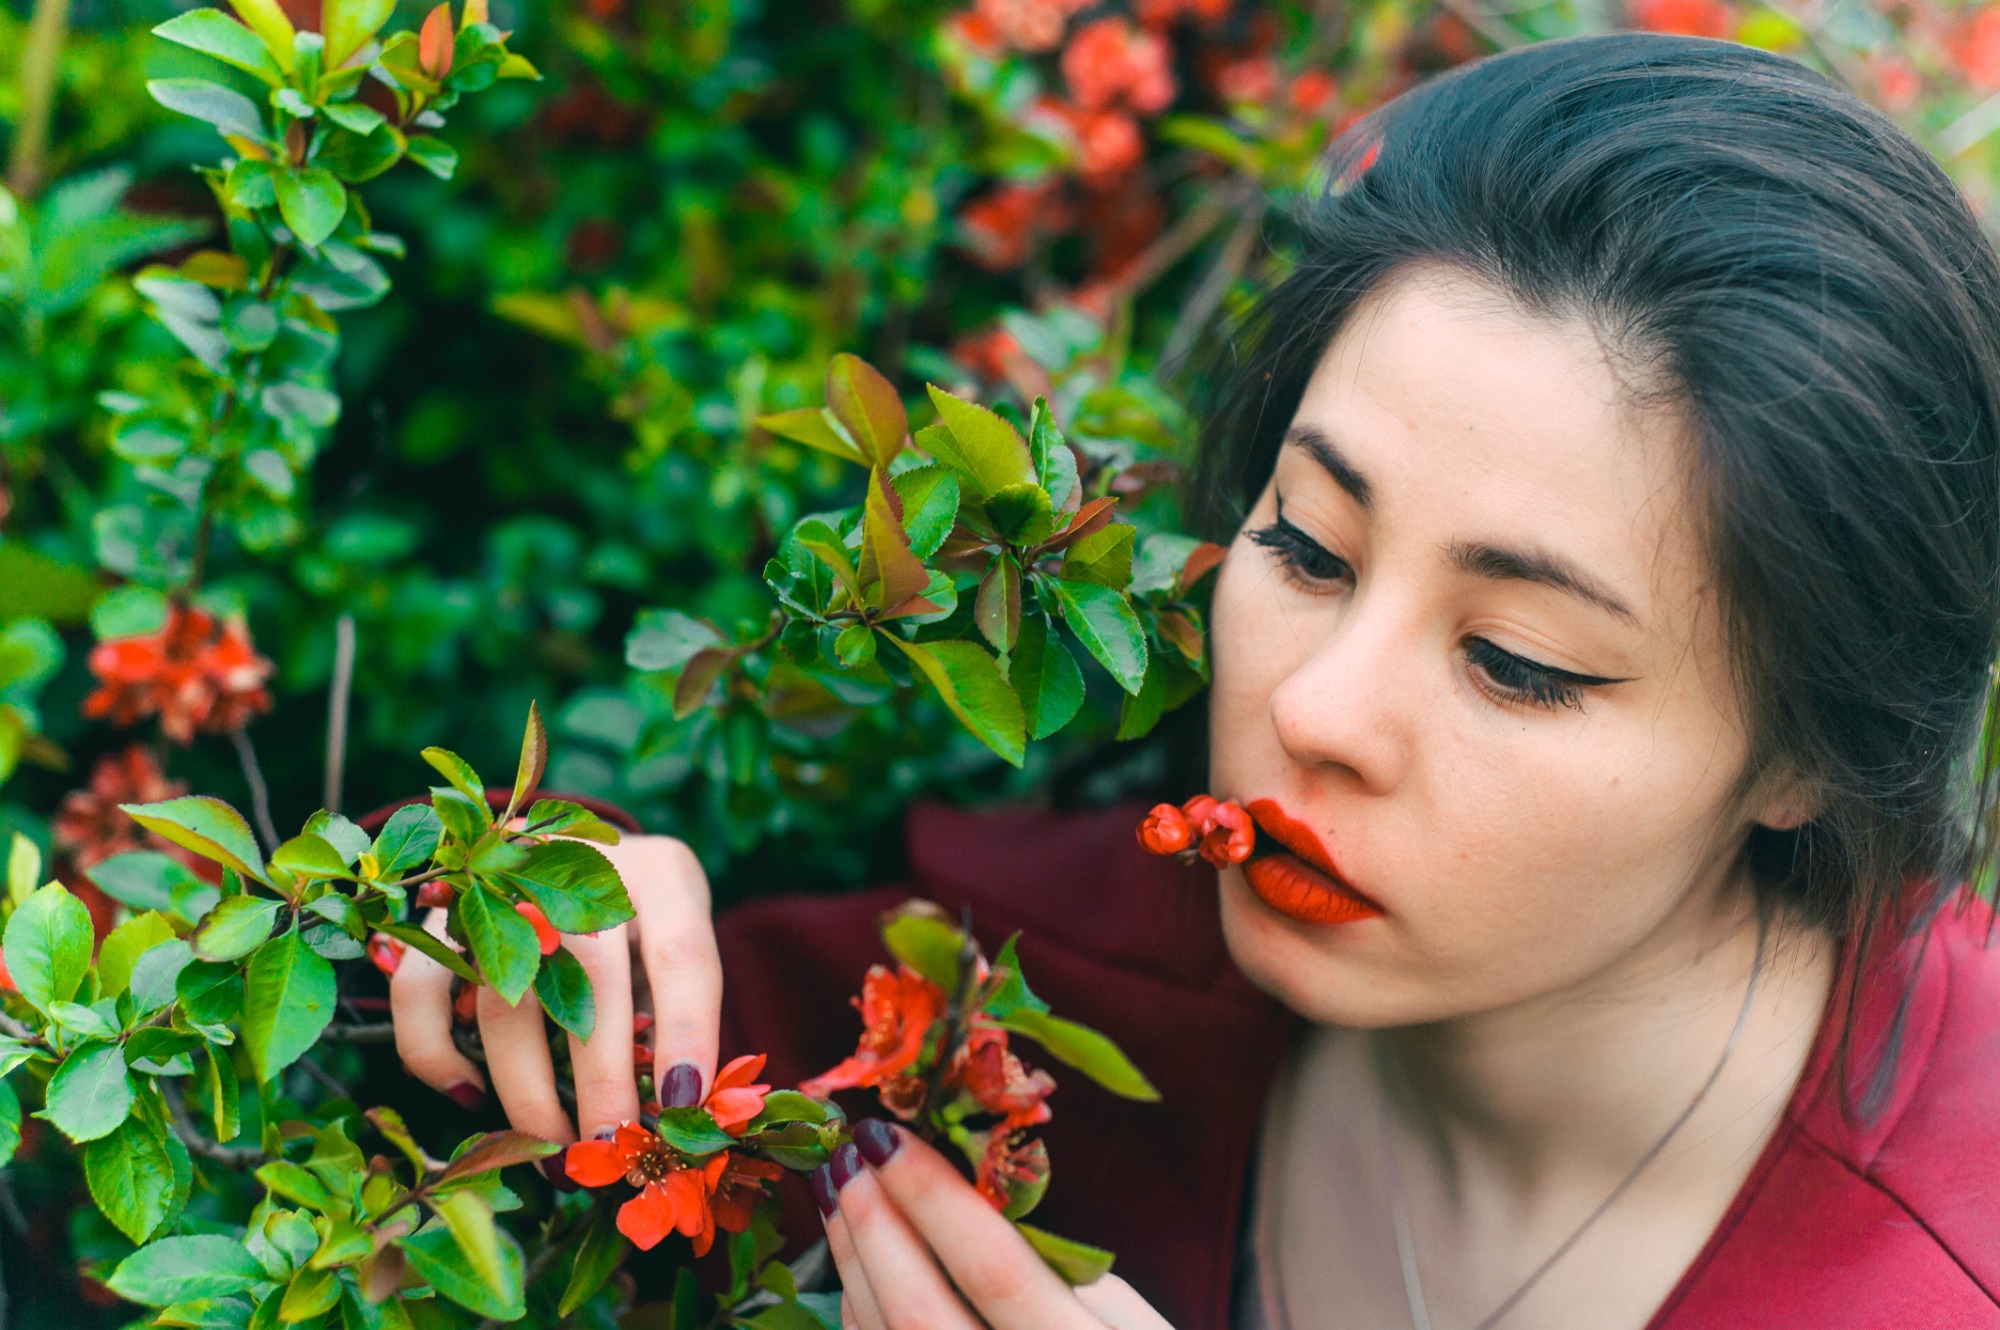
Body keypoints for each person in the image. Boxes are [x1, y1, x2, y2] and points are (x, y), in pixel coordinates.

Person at [383, 31, 2000, 1330]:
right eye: (1306, 547)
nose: (1318, 711)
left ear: (1809, 748)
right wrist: (520, 903)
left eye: (1517, 660)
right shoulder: (1049, 999)